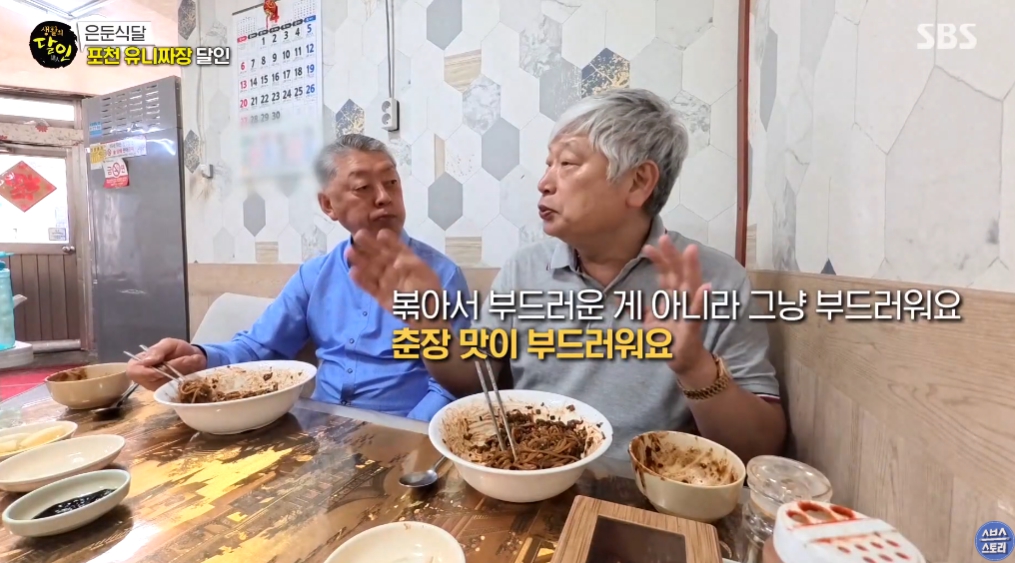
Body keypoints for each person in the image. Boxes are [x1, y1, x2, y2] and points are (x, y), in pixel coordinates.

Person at [345, 89, 786, 460]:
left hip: (646, 499)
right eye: (548, 164)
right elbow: (471, 381)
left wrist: (694, 367)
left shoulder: (714, 280)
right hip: (529, 481)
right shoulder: (524, 268)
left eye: (567, 164)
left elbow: (760, 447)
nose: (544, 182)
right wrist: (428, 323)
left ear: (638, 182)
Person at [127, 134, 471, 421]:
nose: (384, 198)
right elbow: (259, 348)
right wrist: (199, 357)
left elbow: (451, 387)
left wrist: (405, 439)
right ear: (328, 205)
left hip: (402, 430)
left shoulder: (441, 276)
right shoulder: (315, 275)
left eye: (391, 183)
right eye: (363, 187)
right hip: (322, 432)